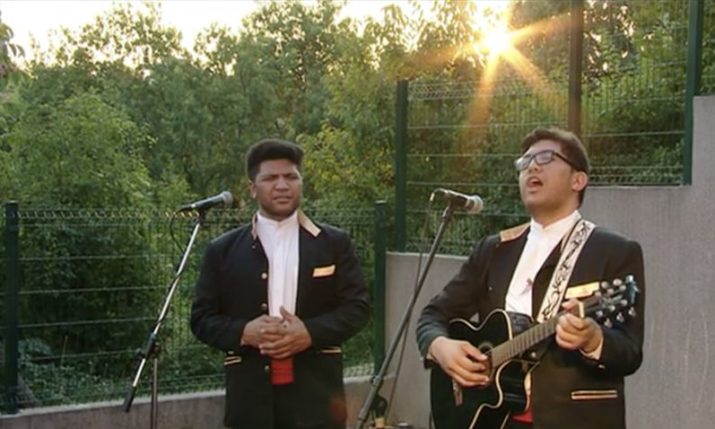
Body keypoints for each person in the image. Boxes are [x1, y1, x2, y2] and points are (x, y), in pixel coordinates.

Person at [416, 127, 645, 429]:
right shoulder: (494, 249)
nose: (532, 167)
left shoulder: (613, 251)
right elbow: (432, 315)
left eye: (546, 158)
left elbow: (630, 352)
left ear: (578, 180)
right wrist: (439, 347)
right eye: (524, 162)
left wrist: (594, 339)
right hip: (493, 420)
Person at [191, 138, 370, 429]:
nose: (282, 186)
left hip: (318, 401)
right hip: (250, 403)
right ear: (252, 188)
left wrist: (310, 332)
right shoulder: (222, 251)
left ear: (301, 183)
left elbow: (358, 308)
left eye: (291, 177)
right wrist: (244, 332)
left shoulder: (333, 244)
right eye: (271, 178)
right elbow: (201, 319)